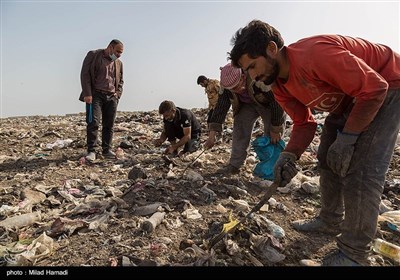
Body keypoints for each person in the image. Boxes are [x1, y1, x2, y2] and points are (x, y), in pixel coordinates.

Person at [229, 19, 400, 266]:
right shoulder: (279, 86)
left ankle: (354, 253)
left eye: (253, 66)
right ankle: (330, 219)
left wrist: (348, 139)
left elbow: (374, 89)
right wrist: (288, 155)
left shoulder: (314, 55)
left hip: (388, 86)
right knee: (326, 158)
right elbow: (304, 123)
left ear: (271, 49)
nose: (253, 76)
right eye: (248, 72)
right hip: (351, 98)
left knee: (362, 172)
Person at [205, 62, 285, 176]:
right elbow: (221, 108)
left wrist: (276, 128)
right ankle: (234, 166)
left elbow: (277, 102)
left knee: (271, 136)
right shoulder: (226, 86)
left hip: (268, 105)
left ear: (243, 77)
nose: (235, 91)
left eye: (237, 87)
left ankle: (274, 169)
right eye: (232, 89)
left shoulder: (258, 77)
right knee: (240, 129)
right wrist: (211, 136)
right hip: (246, 105)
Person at [79, 39, 124, 162]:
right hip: (95, 95)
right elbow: (85, 74)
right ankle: (91, 151)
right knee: (93, 122)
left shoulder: (119, 63)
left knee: (109, 124)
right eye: (117, 51)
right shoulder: (93, 55)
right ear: (110, 47)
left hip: (111, 96)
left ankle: (106, 150)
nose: (119, 55)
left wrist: (117, 94)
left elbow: (120, 81)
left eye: (121, 53)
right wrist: (87, 94)